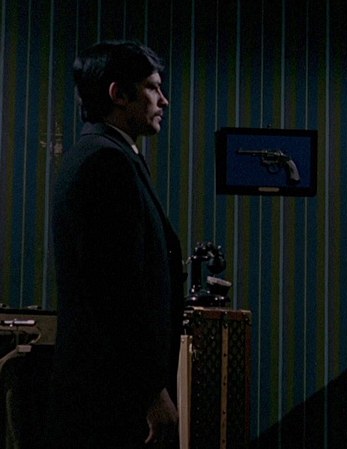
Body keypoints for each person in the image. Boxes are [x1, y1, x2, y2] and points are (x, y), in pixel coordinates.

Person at [50, 40, 183, 448]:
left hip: (107, 389)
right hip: (114, 397)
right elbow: (114, 293)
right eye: (152, 87)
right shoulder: (105, 162)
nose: (163, 100)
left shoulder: (102, 153)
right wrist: (150, 391)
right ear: (118, 94)